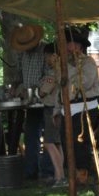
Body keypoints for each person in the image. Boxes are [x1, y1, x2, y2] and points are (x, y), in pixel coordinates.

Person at [8, 22, 47, 180]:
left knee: (51, 139)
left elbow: (49, 75)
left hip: (45, 100)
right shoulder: (22, 54)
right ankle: (31, 171)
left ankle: (49, 172)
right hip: (30, 103)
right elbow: (19, 74)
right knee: (30, 136)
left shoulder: (45, 50)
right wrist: (16, 86)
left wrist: (34, 89)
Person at [64, 26, 99, 182]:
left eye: (68, 43)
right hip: (67, 109)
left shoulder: (88, 62)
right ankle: (72, 174)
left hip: (84, 109)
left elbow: (84, 83)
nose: (65, 46)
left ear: (78, 46)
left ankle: (83, 174)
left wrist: (70, 69)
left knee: (80, 145)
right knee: (67, 144)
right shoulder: (64, 63)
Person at [37, 42, 67, 186]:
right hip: (59, 108)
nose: (45, 60)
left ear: (54, 56)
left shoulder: (54, 72)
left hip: (52, 108)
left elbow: (42, 92)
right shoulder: (65, 69)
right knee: (57, 142)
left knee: (49, 143)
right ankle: (59, 175)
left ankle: (60, 176)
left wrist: (38, 90)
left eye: (47, 56)